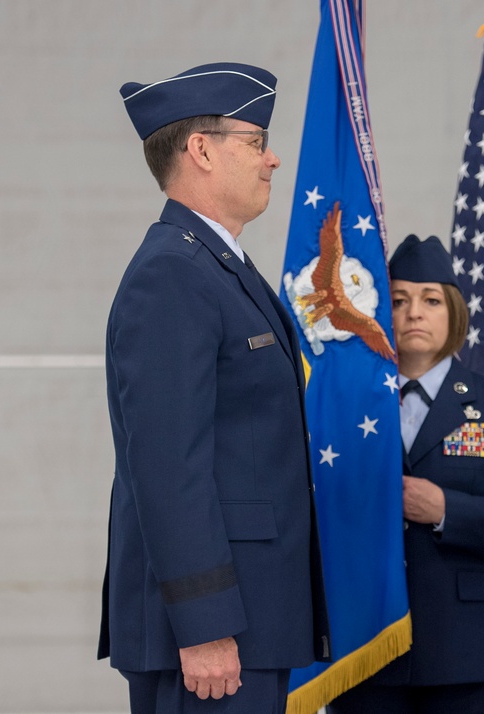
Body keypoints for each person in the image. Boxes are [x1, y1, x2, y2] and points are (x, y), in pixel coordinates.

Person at [98, 62, 329, 714]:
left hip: (249, 616)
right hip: (211, 632)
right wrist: (203, 625)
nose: (273, 159)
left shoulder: (216, 265)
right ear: (201, 149)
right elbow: (169, 467)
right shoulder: (174, 274)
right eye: (255, 142)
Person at [327, 235, 484, 714]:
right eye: (398, 300)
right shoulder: (342, 407)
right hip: (365, 649)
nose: (414, 312)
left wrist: (446, 510)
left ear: (453, 313)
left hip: (468, 657)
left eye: (431, 300)